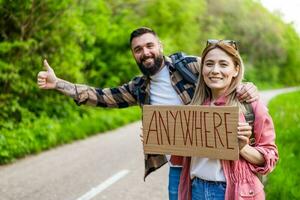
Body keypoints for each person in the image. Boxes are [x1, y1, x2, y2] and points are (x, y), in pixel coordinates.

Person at [37, 27, 259, 199]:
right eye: (138, 49)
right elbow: (101, 96)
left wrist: (247, 87)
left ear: (160, 46)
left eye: (149, 45)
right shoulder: (138, 88)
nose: (145, 52)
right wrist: (58, 84)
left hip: (218, 165)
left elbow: (222, 72)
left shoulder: (190, 66)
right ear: (134, 55)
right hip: (179, 168)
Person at [178, 40, 279, 200]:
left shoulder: (250, 106)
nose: (215, 70)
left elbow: (270, 157)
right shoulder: (194, 107)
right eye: (209, 64)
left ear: (235, 70)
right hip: (196, 189)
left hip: (233, 192)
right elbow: (183, 157)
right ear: (202, 69)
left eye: (223, 64)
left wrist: (242, 148)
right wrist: (160, 141)